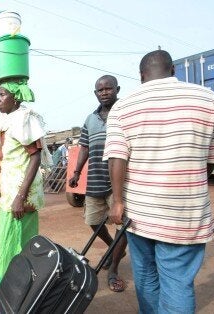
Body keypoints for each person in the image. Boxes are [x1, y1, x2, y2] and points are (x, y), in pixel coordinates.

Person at [103, 50, 214, 313]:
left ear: (141, 76)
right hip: (186, 215)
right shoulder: (208, 99)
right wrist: (189, 182)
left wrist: (117, 203)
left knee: (146, 275)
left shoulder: (124, 105)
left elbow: (117, 157)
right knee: (177, 282)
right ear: (173, 70)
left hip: (140, 214)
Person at [0, 78, 51, 314]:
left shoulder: (25, 118)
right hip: (10, 198)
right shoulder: (4, 116)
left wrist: (20, 197)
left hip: (20, 200)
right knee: (11, 250)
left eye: (3, 94)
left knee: (10, 252)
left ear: (15, 97)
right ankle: (8, 299)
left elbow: (35, 157)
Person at [68, 75, 128, 293]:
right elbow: (84, 147)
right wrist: (76, 172)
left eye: (108, 88)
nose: (104, 92)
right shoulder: (90, 119)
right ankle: (115, 247)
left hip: (119, 182)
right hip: (95, 179)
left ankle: (113, 269)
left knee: (124, 226)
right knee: (92, 220)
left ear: (117, 89)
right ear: (95, 93)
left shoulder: (125, 113)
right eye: (100, 90)